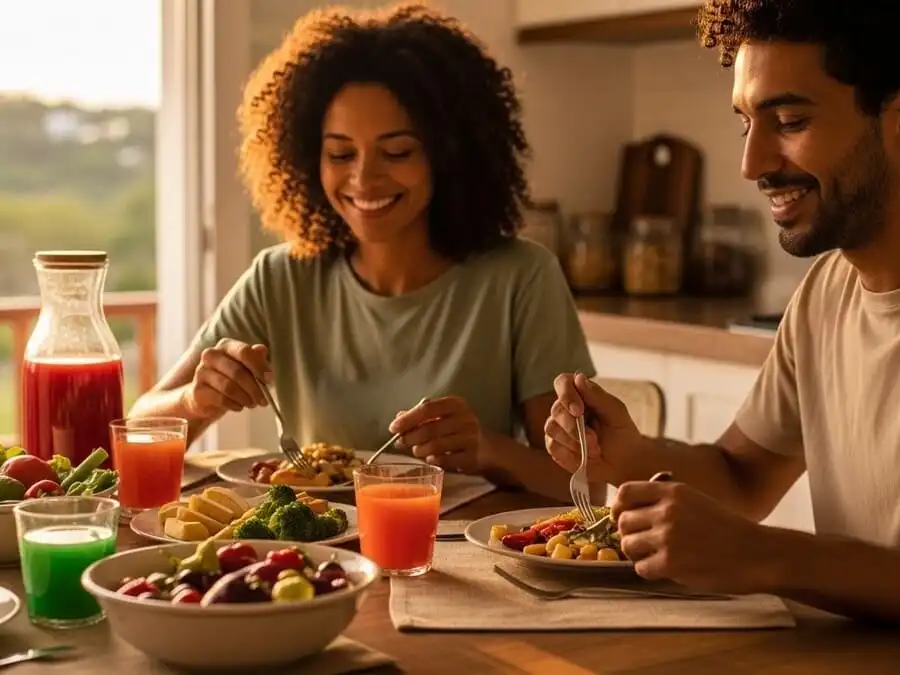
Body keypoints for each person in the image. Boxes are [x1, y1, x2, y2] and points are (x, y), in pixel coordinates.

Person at [130, 2, 594, 501]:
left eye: (396, 152)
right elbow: (138, 431)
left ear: (450, 154)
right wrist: (197, 401)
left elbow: (589, 481)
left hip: (465, 558)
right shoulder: (281, 278)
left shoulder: (521, 278)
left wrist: (491, 450)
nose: (363, 179)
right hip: (318, 559)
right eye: (340, 154)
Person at [545, 0, 900, 622]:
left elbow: (755, 535)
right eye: (745, 125)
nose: (751, 164)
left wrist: (769, 557)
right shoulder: (826, 292)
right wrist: (629, 453)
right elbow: (740, 478)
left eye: (788, 120)